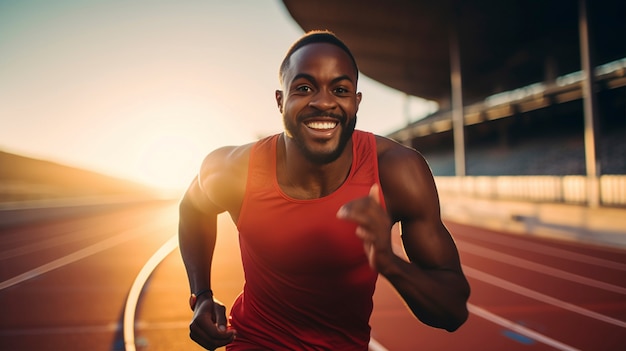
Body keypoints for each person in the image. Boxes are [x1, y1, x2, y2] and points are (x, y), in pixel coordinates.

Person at [178, 30, 470, 351]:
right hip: (256, 341)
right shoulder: (234, 168)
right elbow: (193, 208)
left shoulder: (397, 171)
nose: (323, 102)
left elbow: (452, 312)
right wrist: (201, 295)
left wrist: (389, 263)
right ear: (280, 100)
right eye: (304, 88)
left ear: (355, 102)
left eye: (340, 89)